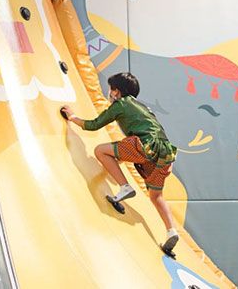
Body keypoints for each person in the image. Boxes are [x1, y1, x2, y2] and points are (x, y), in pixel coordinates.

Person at [60, 72, 181, 256]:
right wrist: (119, 160)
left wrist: (72, 117)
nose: (110, 93)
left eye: (111, 89)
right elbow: (153, 134)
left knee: (100, 151)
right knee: (156, 196)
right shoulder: (144, 108)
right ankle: (172, 231)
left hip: (145, 146)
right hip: (165, 154)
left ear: (117, 91)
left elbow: (93, 125)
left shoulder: (121, 104)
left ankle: (125, 187)